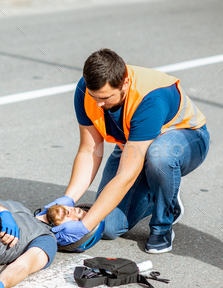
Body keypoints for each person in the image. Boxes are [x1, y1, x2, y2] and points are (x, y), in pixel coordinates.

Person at [44, 48, 210, 254]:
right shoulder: (86, 90)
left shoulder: (150, 98)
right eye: (94, 96)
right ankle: (161, 191)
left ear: (124, 84)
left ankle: (163, 222)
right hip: (132, 147)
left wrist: (85, 226)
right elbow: (89, 151)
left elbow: (126, 174)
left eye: (105, 97)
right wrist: (68, 198)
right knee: (108, 227)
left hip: (186, 141)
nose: (98, 104)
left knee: (159, 156)